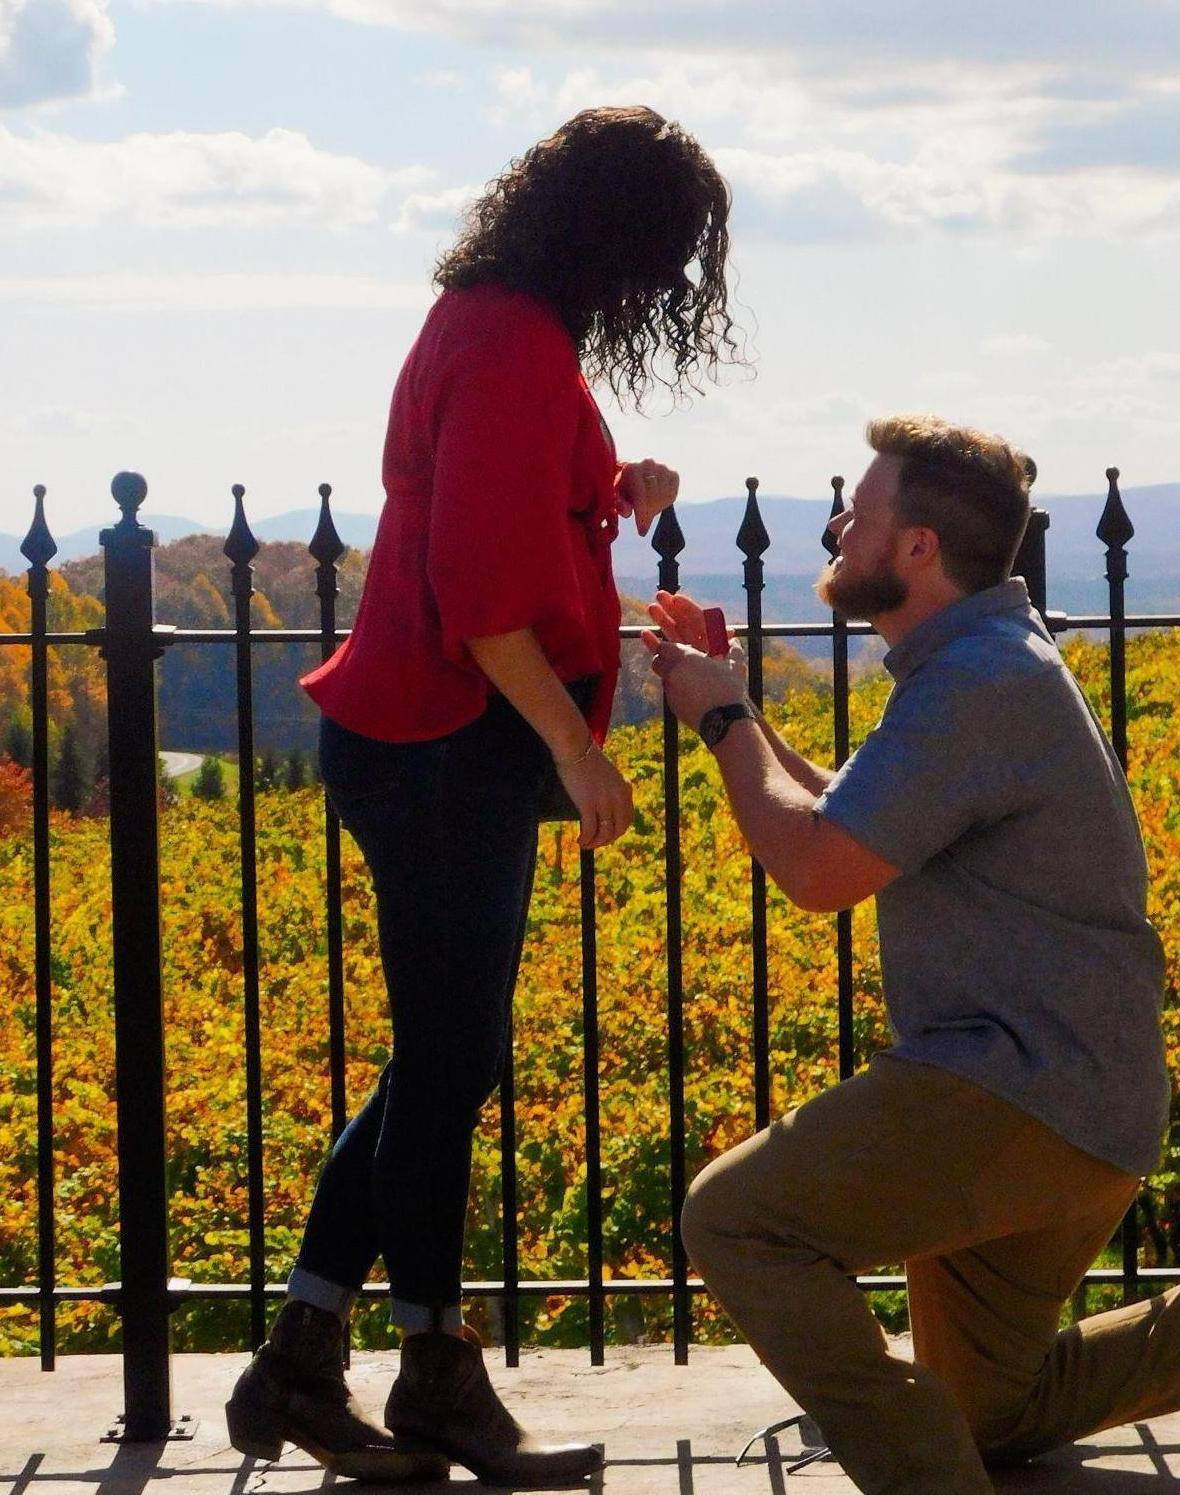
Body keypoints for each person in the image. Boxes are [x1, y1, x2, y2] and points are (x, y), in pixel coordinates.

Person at [642, 414, 1180, 1495]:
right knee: (996, 1411)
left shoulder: (975, 684)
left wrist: (724, 718)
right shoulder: (974, 663)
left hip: (1017, 1091)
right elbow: (847, 811)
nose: (834, 526)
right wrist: (728, 701)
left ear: (916, 548)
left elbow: (818, 871)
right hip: (1075, 1099)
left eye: (857, 513)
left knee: (733, 1218)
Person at [225, 105, 739, 1487]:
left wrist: (616, 487)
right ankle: (436, 1373)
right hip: (450, 742)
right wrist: (578, 754)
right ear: (619, 237)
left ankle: (301, 1360)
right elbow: (479, 597)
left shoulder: (492, 322)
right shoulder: (515, 341)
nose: (668, 287)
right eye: (668, 254)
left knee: (436, 1063)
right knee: (449, 1069)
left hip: (425, 742)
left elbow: (503, 515)